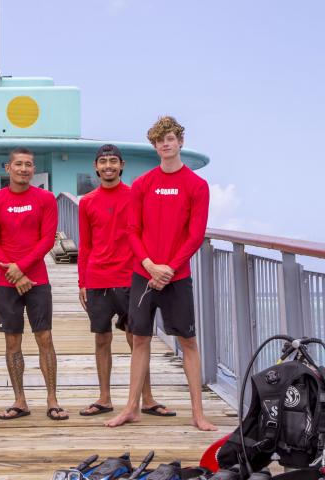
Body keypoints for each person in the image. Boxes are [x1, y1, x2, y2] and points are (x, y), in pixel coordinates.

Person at [105, 116, 216, 430]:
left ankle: (198, 413)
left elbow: (195, 234)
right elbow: (132, 229)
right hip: (144, 274)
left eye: (169, 139)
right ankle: (131, 407)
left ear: (180, 142)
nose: (165, 144)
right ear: (154, 147)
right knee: (139, 339)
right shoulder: (143, 184)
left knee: (188, 342)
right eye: (159, 141)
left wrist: (169, 268)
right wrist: (149, 265)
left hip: (177, 277)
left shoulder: (196, 185)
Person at [77, 144, 170, 418]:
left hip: (132, 277)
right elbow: (85, 245)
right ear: (96, 166)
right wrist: (82, 281)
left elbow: (148, 234)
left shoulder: (135, 196)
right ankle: (104, 398)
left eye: (113, 161)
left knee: (137, 339)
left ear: (122, 165)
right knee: (102, 338)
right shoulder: (87, 202)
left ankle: (147, 398)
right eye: (103, 161)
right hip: (98, 278)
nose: (108, 166)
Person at [0, 147, 68, 421]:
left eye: (28, 165)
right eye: (18, 164)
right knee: (12, 341)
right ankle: (19, 400)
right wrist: (14, 273)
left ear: (33, 169)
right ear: (8, 168)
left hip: (37, 279)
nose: (23, 169)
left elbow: (47, 239)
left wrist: (21, 268)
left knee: (45, 338)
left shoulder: (45, 199)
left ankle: (52, 399)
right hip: (7, 281)